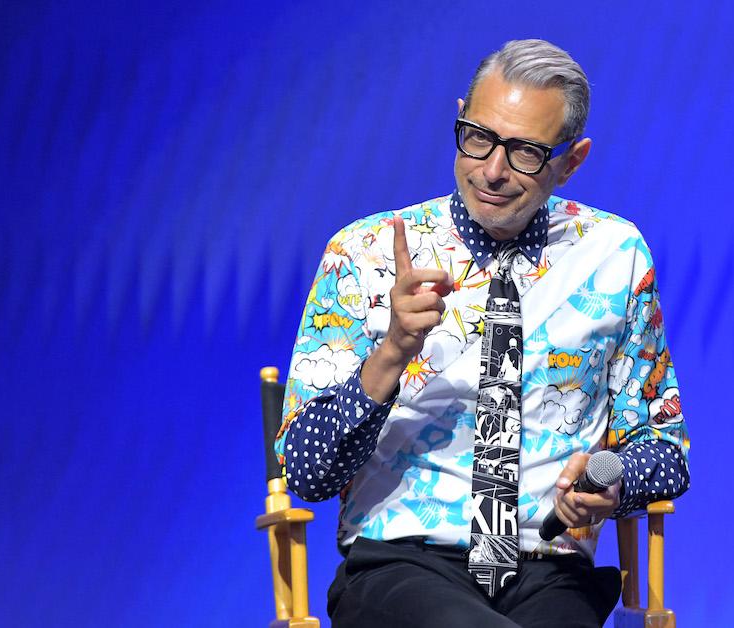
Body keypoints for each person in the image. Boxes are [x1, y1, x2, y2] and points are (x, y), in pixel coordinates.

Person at [275, 39, 689, 628]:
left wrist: (614, 483)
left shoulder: (614, 258)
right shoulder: (363, 254)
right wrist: (391, 354)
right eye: (478, 138)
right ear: (462, 116)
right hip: (400, 567)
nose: (492, 171)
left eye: (525, 153)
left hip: (549, 569)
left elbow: (666, 449)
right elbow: (306, 472)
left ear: (572, 161)